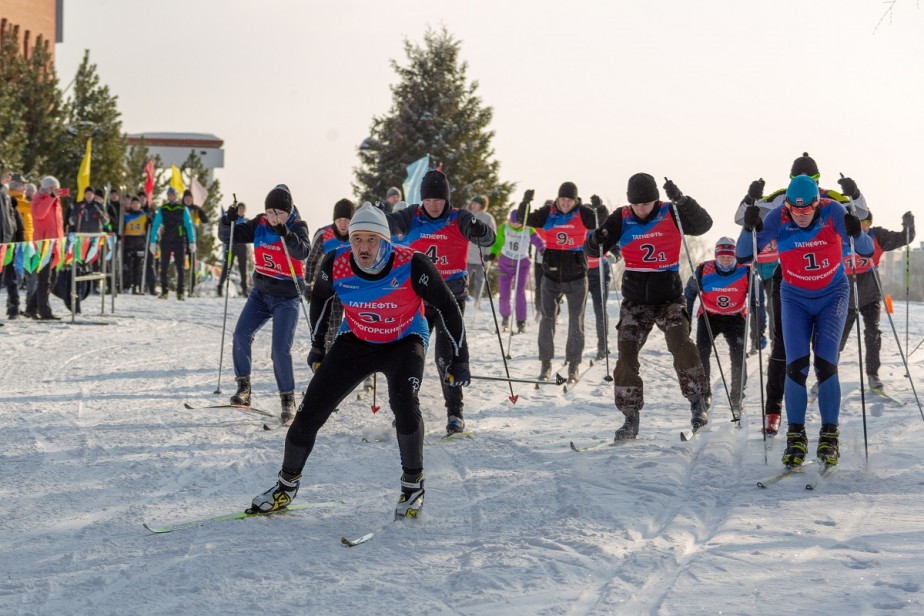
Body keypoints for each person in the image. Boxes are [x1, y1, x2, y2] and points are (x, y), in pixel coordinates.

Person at [249, 203, 469, 518]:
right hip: (356, 340)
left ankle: (412, 486)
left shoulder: (413, 264)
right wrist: (317, 347)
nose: (363, 248)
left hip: (404, 340)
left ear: (385, 241)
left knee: (404, 404)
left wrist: (460, 359)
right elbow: (320, 300)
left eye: (371, 240)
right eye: (357, 239)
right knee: (310, 411)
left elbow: (448, 306)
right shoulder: (336, 262)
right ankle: (285, 486)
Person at [739, 175, 871, 468]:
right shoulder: (778, 217)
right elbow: (743, 254)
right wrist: (748, 228)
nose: (801, 214)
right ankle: (795, 436)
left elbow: (865, 250)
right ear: (787, 205)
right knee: (796, 366)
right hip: (795, 298)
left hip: (832, 296)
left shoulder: (832, 211)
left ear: (817, 203)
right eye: (795, 209)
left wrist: (856, 230)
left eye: (807, 208)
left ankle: (829, 436)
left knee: (825, 365)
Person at [584, 173, 713, 439]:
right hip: (636, 302)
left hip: (669, 299)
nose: (641, 209)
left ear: (656, 199)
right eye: (636, 204)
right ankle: (630, 417)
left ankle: (698, 401)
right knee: (626, 356)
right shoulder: (622, 216)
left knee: (681, 344)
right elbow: (593, 251)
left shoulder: (671, 212)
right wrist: (595, 240)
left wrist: (683, 201)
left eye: (646, 203)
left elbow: (703, 225)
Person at [387, 169, 495, 435]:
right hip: (418, 299)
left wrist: (480, 230)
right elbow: (387, 226)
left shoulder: (460, 218)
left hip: (451, 297)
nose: (433, 205)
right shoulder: (412, 214)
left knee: (446, 358)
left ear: (446, 199)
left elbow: (489, 239)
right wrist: (379, 216)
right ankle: (406, 410)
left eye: (438, 200)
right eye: (428, 200)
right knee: (410, 356)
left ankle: (455, 412)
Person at [218, 185, 310, 425]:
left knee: (279, 350)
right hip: (260, 294)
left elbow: (302, 251)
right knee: (240, 334)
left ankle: (287, 400)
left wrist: (285, 233)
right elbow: (229, 236)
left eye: (279, 213)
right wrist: (228, 221)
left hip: (286, 297)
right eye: (270, 212)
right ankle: (244, 388)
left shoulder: (298, 226)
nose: (273, 217)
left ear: (288, 212)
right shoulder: (259, 223)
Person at [517, 182, 599, 383]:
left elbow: (600, 223)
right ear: (557, 198)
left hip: (577, 277)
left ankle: (574, 364)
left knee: (576, 320)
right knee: (547, 319)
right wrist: (525, 203)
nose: (565, 203)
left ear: (576, 200)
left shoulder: (583, 213)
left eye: (570, 200)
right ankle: (545, 363)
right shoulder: (548, 212)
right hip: (551, 276)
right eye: (563, 199)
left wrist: (600, 208)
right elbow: (524, 219)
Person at [838, 210, 915, 390]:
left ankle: (873, 374)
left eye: (867, 224)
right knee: (838, 336)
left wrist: (909, 226)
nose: (863, 229)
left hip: (870, 294)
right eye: (860, 224)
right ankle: (827, 373)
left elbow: (904, 238)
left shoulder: (877, 236)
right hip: (846, 294)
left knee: (873, 333)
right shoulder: (840, 238)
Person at [684, 237, 750, 413]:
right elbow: (689, 295)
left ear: (735, 256)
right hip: (709, 317)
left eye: (729, 257)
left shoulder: (746, 271)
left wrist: (759, 329)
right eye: (722, 257)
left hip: (735, 317)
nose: (726, 260)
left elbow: (756, 301)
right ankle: (705, 393)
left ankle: (736, 396)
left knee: (738, 356)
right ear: (716, 256)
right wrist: (686, 322)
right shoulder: (703, 270)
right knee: (701, 353)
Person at [304, 198, 355, 351]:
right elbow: (312, 260)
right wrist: (308, 284)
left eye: (347, 220)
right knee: (332, 324)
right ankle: (327, 355)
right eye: (339, 220)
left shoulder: (358, 234)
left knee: (357, 325)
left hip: (353, 285)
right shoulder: (324, 234)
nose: (343, 224)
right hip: (330, 285)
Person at [488, 207, 544, 333]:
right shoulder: (505, 227)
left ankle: (521, 322)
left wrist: (542, 248)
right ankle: (505, 318)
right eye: (514, 222)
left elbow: (538, 241)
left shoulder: (529, 229)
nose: (517, 225)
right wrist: (493, 253)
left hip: (522, 264)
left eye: (519, 223)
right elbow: (498, 242)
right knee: (504, 293)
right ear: (510, 220)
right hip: (505, 263)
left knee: (520, 293)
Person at [24, 177, 65, 321]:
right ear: (45, 188)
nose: (54, 191)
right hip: (44, 245)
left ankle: (31, 308)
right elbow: (39, 214)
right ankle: (45, 312)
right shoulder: (38, 199)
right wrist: (50, 198)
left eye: (56, 188)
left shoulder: (56, 201)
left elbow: (58, 224)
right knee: (44, 279)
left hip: (55, 245)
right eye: (52, 188)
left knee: (52, 279)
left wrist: (61, 242)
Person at [586, 194, 619, 361]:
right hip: (582, 275)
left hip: (600, 274)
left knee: (600, 310)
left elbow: (616, 247)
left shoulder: (603, 229)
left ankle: (603, 346)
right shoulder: (580, 229)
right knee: (577, 312)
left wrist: (615, 256)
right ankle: (576, 348)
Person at [149, 186, 196, 300]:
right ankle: (164, 292)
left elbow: (189, 225)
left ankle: (180, 292)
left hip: (179, 240)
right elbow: (156, 225)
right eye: (169, 194)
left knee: (180, 267)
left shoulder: (182, 208)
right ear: (167, 196)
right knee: (164, 267)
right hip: (166, 239)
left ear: (176, 196)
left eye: (173, 194)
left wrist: (192, 241)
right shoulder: (163, 208)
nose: (171, 196)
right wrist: (153, 241)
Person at [465, 195, 497, 305]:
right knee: (464, 278)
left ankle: (477, 302)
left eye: (476, 203)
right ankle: (462, 298)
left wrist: (488, 253)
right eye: (473, 202)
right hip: (467, 254)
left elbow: (492, 236)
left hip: (481, 254)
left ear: (482, 205)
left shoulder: (487, 218)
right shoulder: (466, 215)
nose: (473, 205)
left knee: (480, 280)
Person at [217, 202, 250, 297]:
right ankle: (220, 286)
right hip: (231, 245)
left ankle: (244, 289)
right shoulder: (232, 219)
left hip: (242, 246)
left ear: (244, 210)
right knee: (227, 266)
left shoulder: (246, 221)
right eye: (239, 209)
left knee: (243, 268)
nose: (241, 211)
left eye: (242, 209)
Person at [183, 189, 209, 296]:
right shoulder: (181, 209)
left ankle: (192, 288)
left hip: (193, 240)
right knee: (180, 264)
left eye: (190, 198)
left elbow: (205, 220)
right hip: (181, 239)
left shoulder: (196, 210)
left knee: (192, 265)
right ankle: (181, 287)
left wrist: (201, 211)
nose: (188, 200)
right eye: (186, 198)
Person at [121, 196, 148, 294]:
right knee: (127, 266)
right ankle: (126, 285)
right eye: (133, 204)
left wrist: (150, 222)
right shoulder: (126, 215)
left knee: (138, 267)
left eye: (137, 204)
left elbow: (148, 227)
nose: (135, 205)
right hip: (129, 243)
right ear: (131, 205)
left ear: (140, 205)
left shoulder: (144, 215)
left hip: (140, 243)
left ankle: (136, 285)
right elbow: (122, 227)